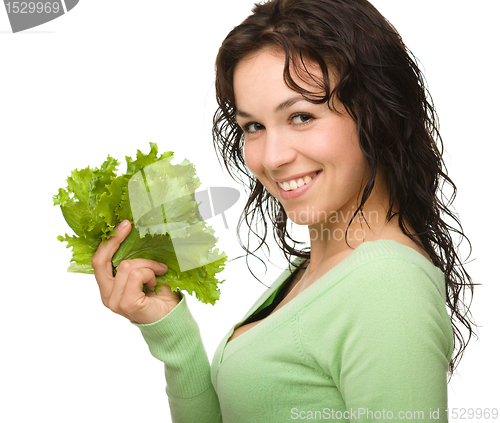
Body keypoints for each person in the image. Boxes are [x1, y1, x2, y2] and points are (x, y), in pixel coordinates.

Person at [91, 0, 476, 421]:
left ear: (377, 114)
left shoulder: (386, 282)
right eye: (253, 126)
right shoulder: (323, 271)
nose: (271, 158)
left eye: (300, 116)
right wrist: (171, 333)